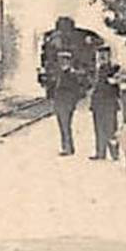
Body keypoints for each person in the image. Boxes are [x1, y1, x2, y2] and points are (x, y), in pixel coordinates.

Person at [41, 16, 96, 156]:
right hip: (60, 95)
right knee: (62, 121)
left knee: (65, 121)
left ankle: (68, 147)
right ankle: (67, 145)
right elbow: (46, 60)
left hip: (68, 96)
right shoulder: (52, 40)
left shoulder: (80, 40)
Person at [89, 61, 121, 161]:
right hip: (98, 105)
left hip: (109, 105)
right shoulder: (98, 70)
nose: (102, 57)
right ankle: (100, 152)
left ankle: (114, 153)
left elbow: (116, 90)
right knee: (99, 129)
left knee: (111, 129)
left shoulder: (113, 69)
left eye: (104, 54)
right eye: (100, 55)